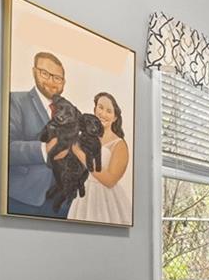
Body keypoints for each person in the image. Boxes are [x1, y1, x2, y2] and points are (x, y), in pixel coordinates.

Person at [7, 51, 71, 218]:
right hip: (24, 198)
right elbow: (5, 148)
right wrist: (44, 149)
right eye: (45, 74)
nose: (51, 81)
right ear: (34, 72)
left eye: (57, 78)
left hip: (61, 203)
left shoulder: (69, 110)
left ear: (63, 82)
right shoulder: (15, 101)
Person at [67, 92, 132, 225]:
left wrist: (80, 155)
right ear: (95, 108)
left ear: (115, 117)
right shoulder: (84, 136)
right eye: (100, 107)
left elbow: (110, 180)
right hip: (83, 196)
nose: (102, 113)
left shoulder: (119, 144)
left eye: (109, 111)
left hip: (105, 199)